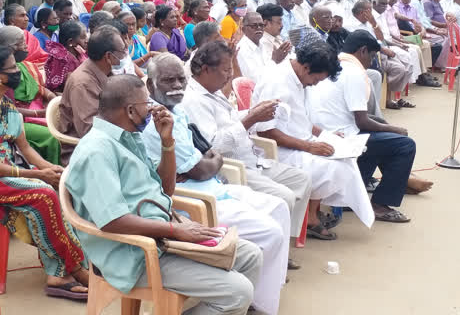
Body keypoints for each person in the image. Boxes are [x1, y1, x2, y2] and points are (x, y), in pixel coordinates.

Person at [66, 75, 262, 314]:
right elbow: (111, 220)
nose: (151, 110)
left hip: (161, 237)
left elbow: (164, 190)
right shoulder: (97, 150)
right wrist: (175, 230)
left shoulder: (128, 138)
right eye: (146, 105)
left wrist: (167, 142)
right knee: (238, 292)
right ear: (130, 110)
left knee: (250, 255)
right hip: (133, 254)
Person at [142, 53, 289, 315]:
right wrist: (207, 163)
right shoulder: (155, 122)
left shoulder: (178, 109)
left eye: (180, 79)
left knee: (279, 206)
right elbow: (199, 168)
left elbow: (208, 151)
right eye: (168, 80)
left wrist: (208, 162)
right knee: (271, 233)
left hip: (213, 187)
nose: (177, 85)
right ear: (151, 85)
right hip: (195, 200)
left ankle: (262, 294)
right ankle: (258, 303)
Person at [0, 45, 88, 299]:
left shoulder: (4, 103)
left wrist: (50, 169)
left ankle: (59, 269)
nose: (18, 72)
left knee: (63, 184)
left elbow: (24, 148)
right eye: (13, 68)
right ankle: (74, 268)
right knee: (43, 193)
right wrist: (37, 176)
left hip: (8, 169)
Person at [181, 42, 312, 243]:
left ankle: (287, 240)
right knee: (283, 197)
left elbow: (232, 120)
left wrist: (254, 112)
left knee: (301, 179)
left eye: (231, 69)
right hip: (232, 166)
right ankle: (274, 244)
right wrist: (251, 119)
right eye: (226, 70)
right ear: (206, 69)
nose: (230, 75)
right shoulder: (194, 100)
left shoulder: (213, 90)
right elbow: (212, 146)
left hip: (252, 157)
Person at [251, 39, 375, 237]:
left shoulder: (299, 77)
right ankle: (309, 217)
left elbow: (301, 120)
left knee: (345, 156)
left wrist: (326, 136)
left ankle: (312, 212)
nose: (314, 84)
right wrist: (309, 147)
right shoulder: (277, 82)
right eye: (316, 80)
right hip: (275, 150)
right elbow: (266, 132)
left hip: (300, 140)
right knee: (336, 167)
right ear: (306, 67)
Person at [308, 30, 416, 223]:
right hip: (340, 136)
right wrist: (394, 129)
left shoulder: (334, 63)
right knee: (404, 144)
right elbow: (362, 122)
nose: (371, 61)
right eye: (372, 56)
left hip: (321, 130)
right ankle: (381, 204)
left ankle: (355, 191)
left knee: (380, 137)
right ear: (363, 51)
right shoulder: (353, 71)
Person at [0, 27, 61, 166]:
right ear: (10, 48)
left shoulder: (22, 66)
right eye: (21, 43)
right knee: (51, 135)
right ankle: (54, 171)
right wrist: (38, 113)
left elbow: (38, 88)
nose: (26, 46)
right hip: (11, 120)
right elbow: (6, 109)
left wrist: (51, 97)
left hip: (29, 113)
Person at [58, 26, 125, 146]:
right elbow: (88, 130)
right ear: (108, 56)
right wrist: (127, 126)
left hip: (110, 137)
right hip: (87, 148)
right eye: (122, 52)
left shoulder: (105, 71)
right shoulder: (82, 84)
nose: (125, 56)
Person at [45, 20, 87, 93]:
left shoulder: (78, 49)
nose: (87, 40)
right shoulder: (62, 60)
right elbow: (68, 86)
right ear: (71, 42)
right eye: (83, 37)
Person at [236, 12, 269, 81]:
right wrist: (274, 61)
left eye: (261, 25)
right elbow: (254, 79)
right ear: (244, 29)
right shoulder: (241, 49)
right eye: (254, 26)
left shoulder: (262, 44)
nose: (259, 28)